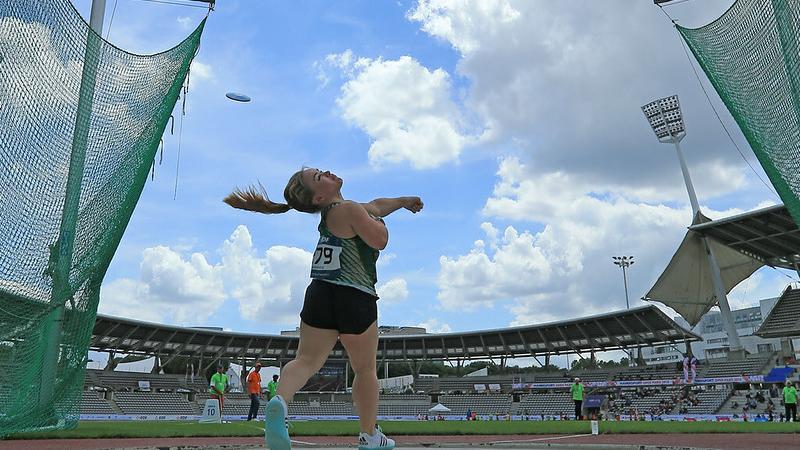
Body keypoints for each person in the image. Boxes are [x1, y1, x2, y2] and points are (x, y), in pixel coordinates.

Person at [224, 168, 423, 450]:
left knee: (306, 360)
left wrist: (403, 201)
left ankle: (279, 401)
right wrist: (380, 222)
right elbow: (380, 239)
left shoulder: (338, 213)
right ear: (319, 196)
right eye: (320, 177)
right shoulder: (350, 210)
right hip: (355, 295)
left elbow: (377, 206)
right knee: (365, 369)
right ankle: (369, 435)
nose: (327, 172)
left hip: (319, 291)